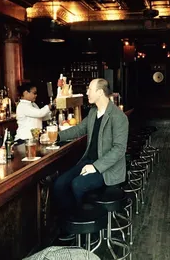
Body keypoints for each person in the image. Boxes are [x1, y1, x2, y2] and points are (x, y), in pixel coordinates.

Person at [53, 78, 129, 238]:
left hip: (107, 168)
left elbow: (119, 150)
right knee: (59, 184)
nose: (86, 92)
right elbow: (79, 129)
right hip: (88, 162)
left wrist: (95, 167)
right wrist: (55, 136)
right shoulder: (93, 112)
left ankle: (91, 230)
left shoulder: (119, 117)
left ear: (100, 93)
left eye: (89, 89)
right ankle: (72, 225)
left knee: (78, 184)